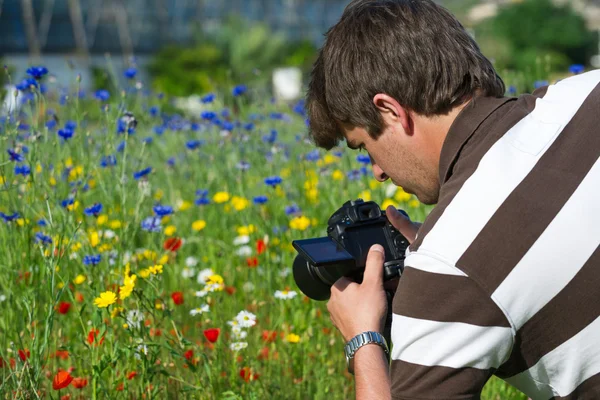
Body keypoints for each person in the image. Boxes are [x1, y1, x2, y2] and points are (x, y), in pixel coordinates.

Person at [306, 0, 600, 399]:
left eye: (365, 146)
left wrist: (365, 339)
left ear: (391, 111)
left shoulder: (447, 270)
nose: (378, 171)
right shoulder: (587, 90)